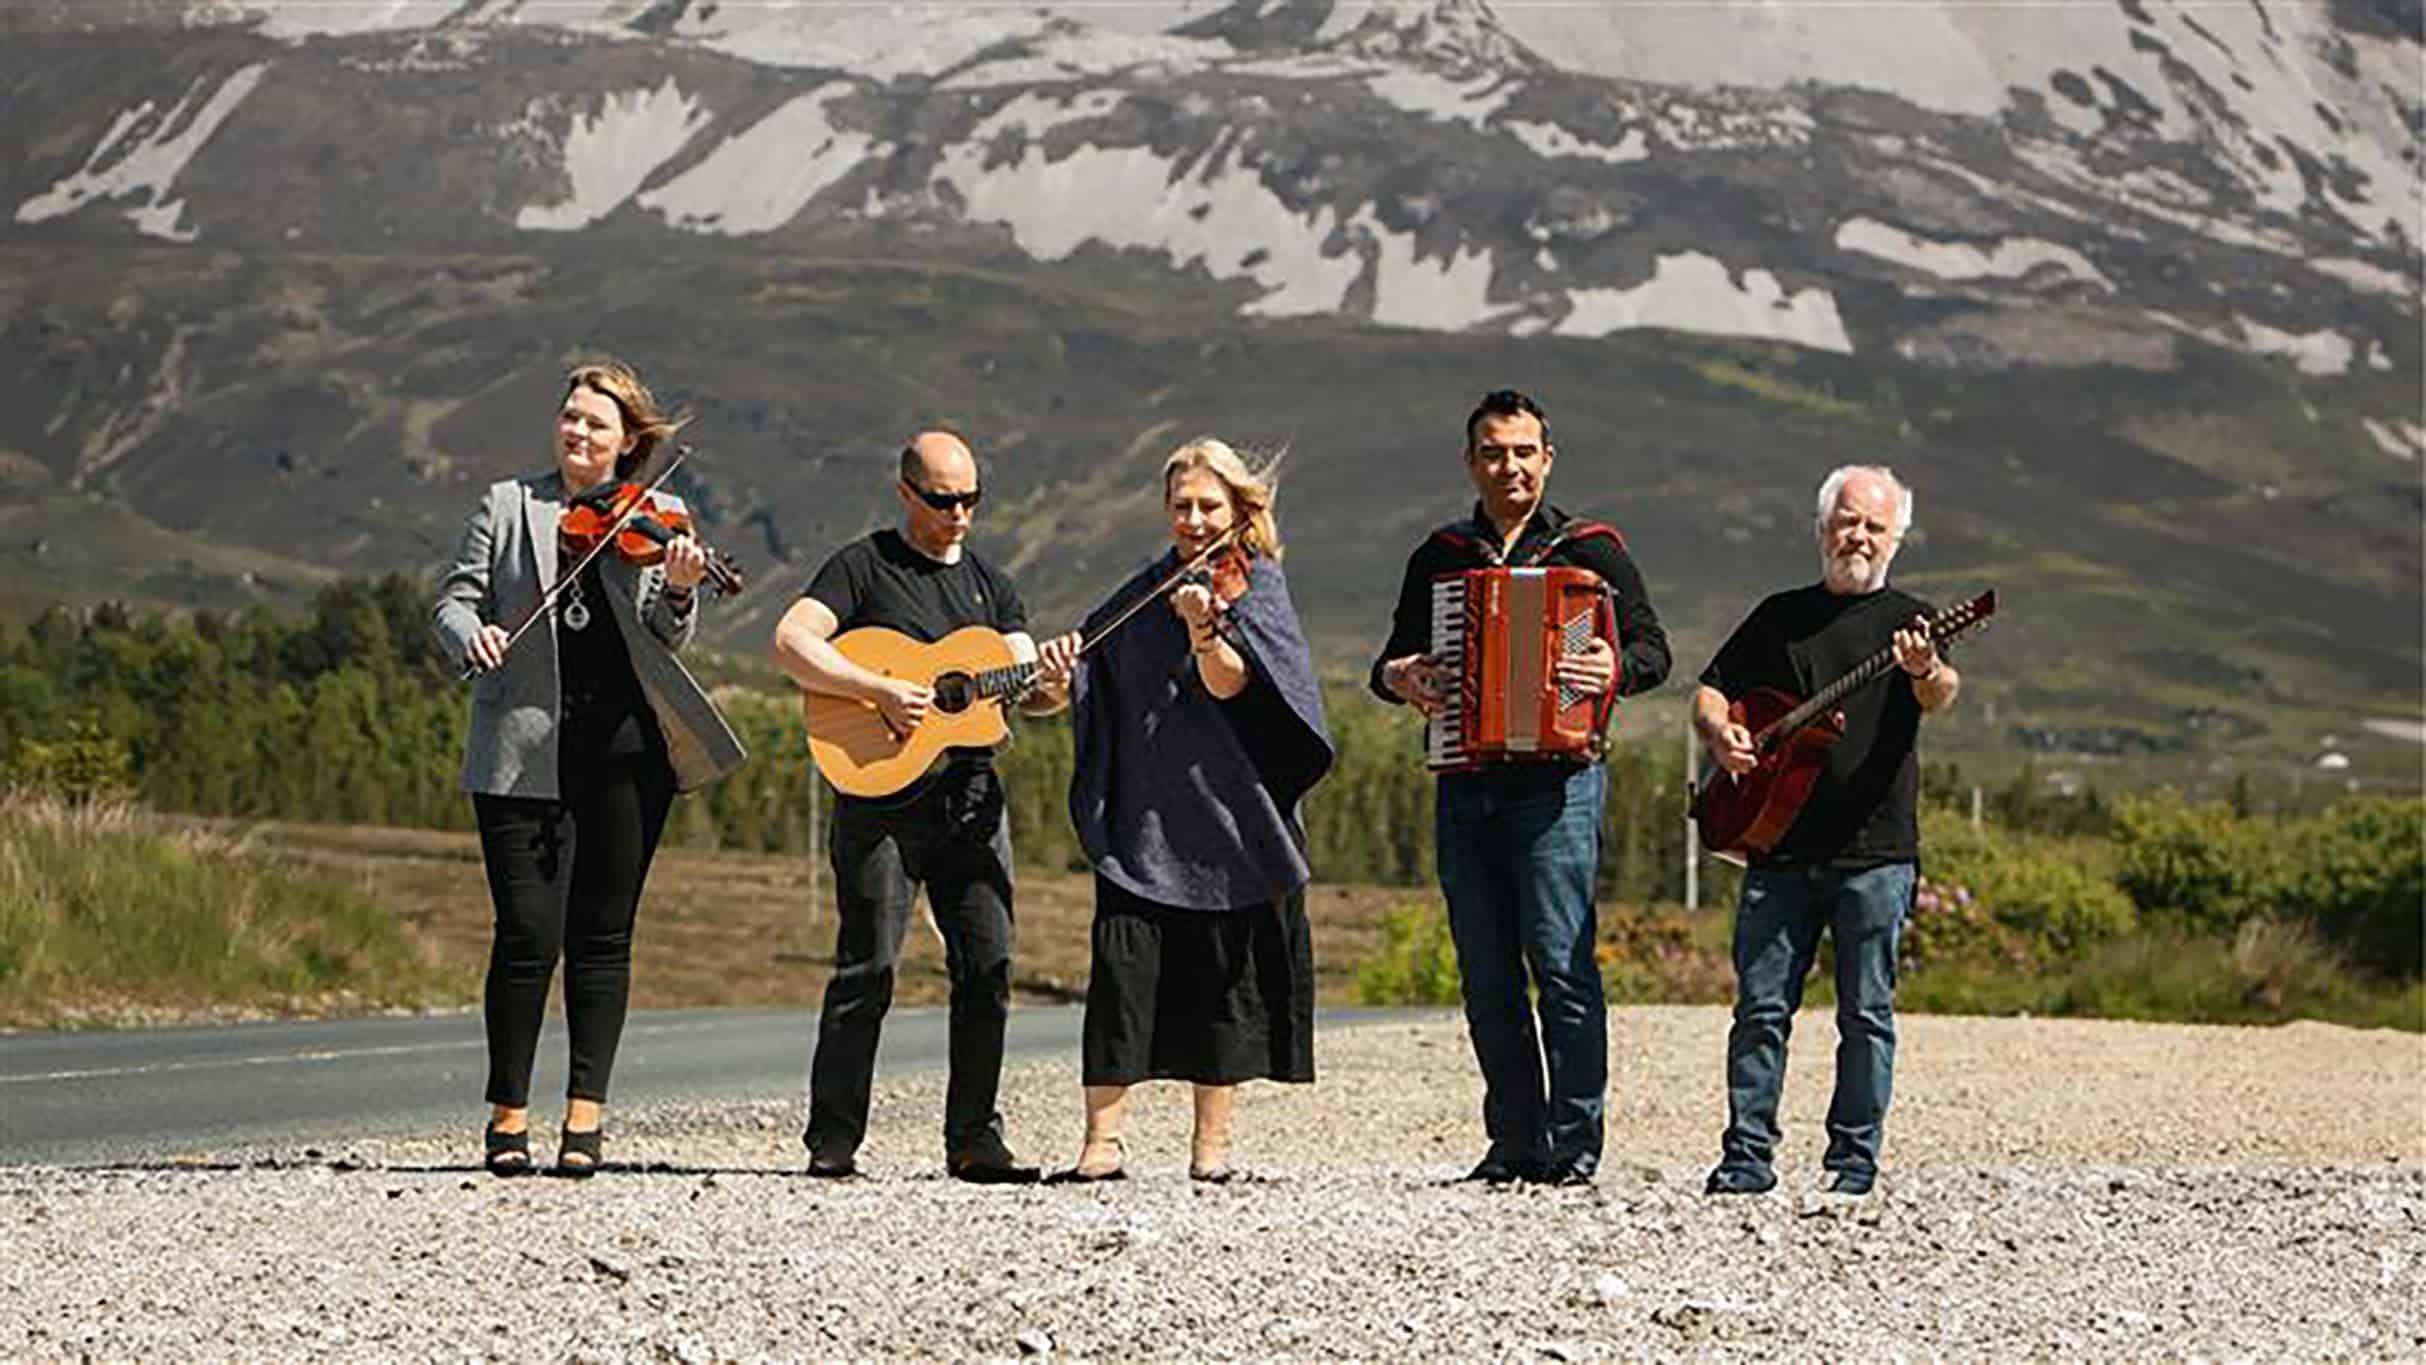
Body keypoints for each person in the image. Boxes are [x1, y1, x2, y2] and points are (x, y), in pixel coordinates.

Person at [434, 359, 746, 1178]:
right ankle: (507, 1113)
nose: (577, 430)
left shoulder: (660, 517)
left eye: (595, 422)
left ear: (628, 441)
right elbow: (453, 600)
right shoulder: (508, 506)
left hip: (625, 752)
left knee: (602, 936)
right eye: (570, 416)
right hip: (520, 747)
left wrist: (681, 590)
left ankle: (585, 1115)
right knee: (526, 933)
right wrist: (471, 635)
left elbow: (668, 638)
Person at [1370, 389, 1670, 1186]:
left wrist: (1613, 666)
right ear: (1471, 462)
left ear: (1548, 458)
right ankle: (1514, 1142)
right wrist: (1403, 675)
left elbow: (1653, 649)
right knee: (1486, 971)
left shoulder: (1592, 551)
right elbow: (1389, 661)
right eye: (1494, 452)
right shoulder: (1441, 556)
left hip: (1559, 782)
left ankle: (1574, 1144)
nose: (1510, 466)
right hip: (1466, 779)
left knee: (1563, 964)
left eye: (1524, 452)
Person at [771, 431, 1080, 1184]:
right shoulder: (861, 567)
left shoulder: (993, 587)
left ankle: (975, 1138)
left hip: (969, 798)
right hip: (879, 798)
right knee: (869, 965)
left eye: (971, 498)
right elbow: (791, 640)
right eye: (943, 500)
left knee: (988, 963)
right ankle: (833, 1136)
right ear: (906, 492)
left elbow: (1023, 690)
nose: (959, 514)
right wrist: (874, 689)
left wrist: (1054, 683)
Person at [1046, 439, 1334, 1185]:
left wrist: (1206, 630)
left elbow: (1232, 685)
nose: (1195, 520)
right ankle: (1103, 1141)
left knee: (1220, 985)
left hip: (1229, 821)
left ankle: (1211, 1146)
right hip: (1145, 820)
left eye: (1209, 506)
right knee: (1121, 974)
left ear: (1238, 509)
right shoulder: (1146, 590)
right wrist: (1052, 679)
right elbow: (1089, 671)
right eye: (1182, 506)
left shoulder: (1255, 586)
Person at [1694, 464, 1963, 1202]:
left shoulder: (1914, 622)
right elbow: (1710, 691)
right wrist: (1720, 733)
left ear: (1896, 539)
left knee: (1866, 1014)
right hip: (1775, 846)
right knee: (1760, 1010)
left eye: (1876, 526)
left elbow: (1941, 692)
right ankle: (1747, 1158)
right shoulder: (1778, 616)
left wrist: (1926, 668)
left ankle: (1853, 1161)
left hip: (1875, 854)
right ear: (1821, 529)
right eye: (1848, 522)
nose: (1859, 537)